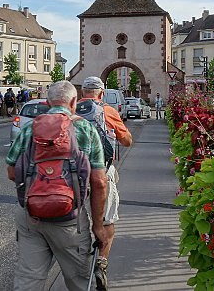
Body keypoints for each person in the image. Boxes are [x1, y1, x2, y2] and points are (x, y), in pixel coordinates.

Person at [5, 80, 108, 291]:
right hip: (70, 220)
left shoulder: (29, 129)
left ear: (48, 103)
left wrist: (40, 188)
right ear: (73, 102)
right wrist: (98, 225)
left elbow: (12, 172)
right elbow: (98, 182)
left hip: (31, 214)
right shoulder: (86, 129)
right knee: (79, 280)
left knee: (28, 279)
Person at [79, 76, 133, 291]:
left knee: (74, 219)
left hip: (74, 174)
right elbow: (127, 140)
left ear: (83, 92)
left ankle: (78, 264)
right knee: (106, 223)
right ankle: (101, 263)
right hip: (102, 173)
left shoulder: (72, 110)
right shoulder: (108, 111)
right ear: (101, 93)